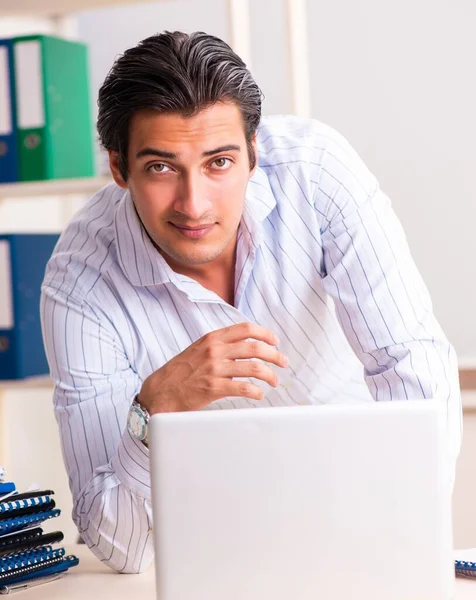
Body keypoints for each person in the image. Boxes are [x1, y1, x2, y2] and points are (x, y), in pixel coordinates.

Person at [40, 30, 461, 574]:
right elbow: (119, 547)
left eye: (219, 162)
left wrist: (408, 523)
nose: (194, 205)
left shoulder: (315, 172)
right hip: (208, 548)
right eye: (161, 167)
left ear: (254, 152)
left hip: (362, 502)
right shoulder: (80, 281)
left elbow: (410, 362)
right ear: (118, 169)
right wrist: (154, 410)